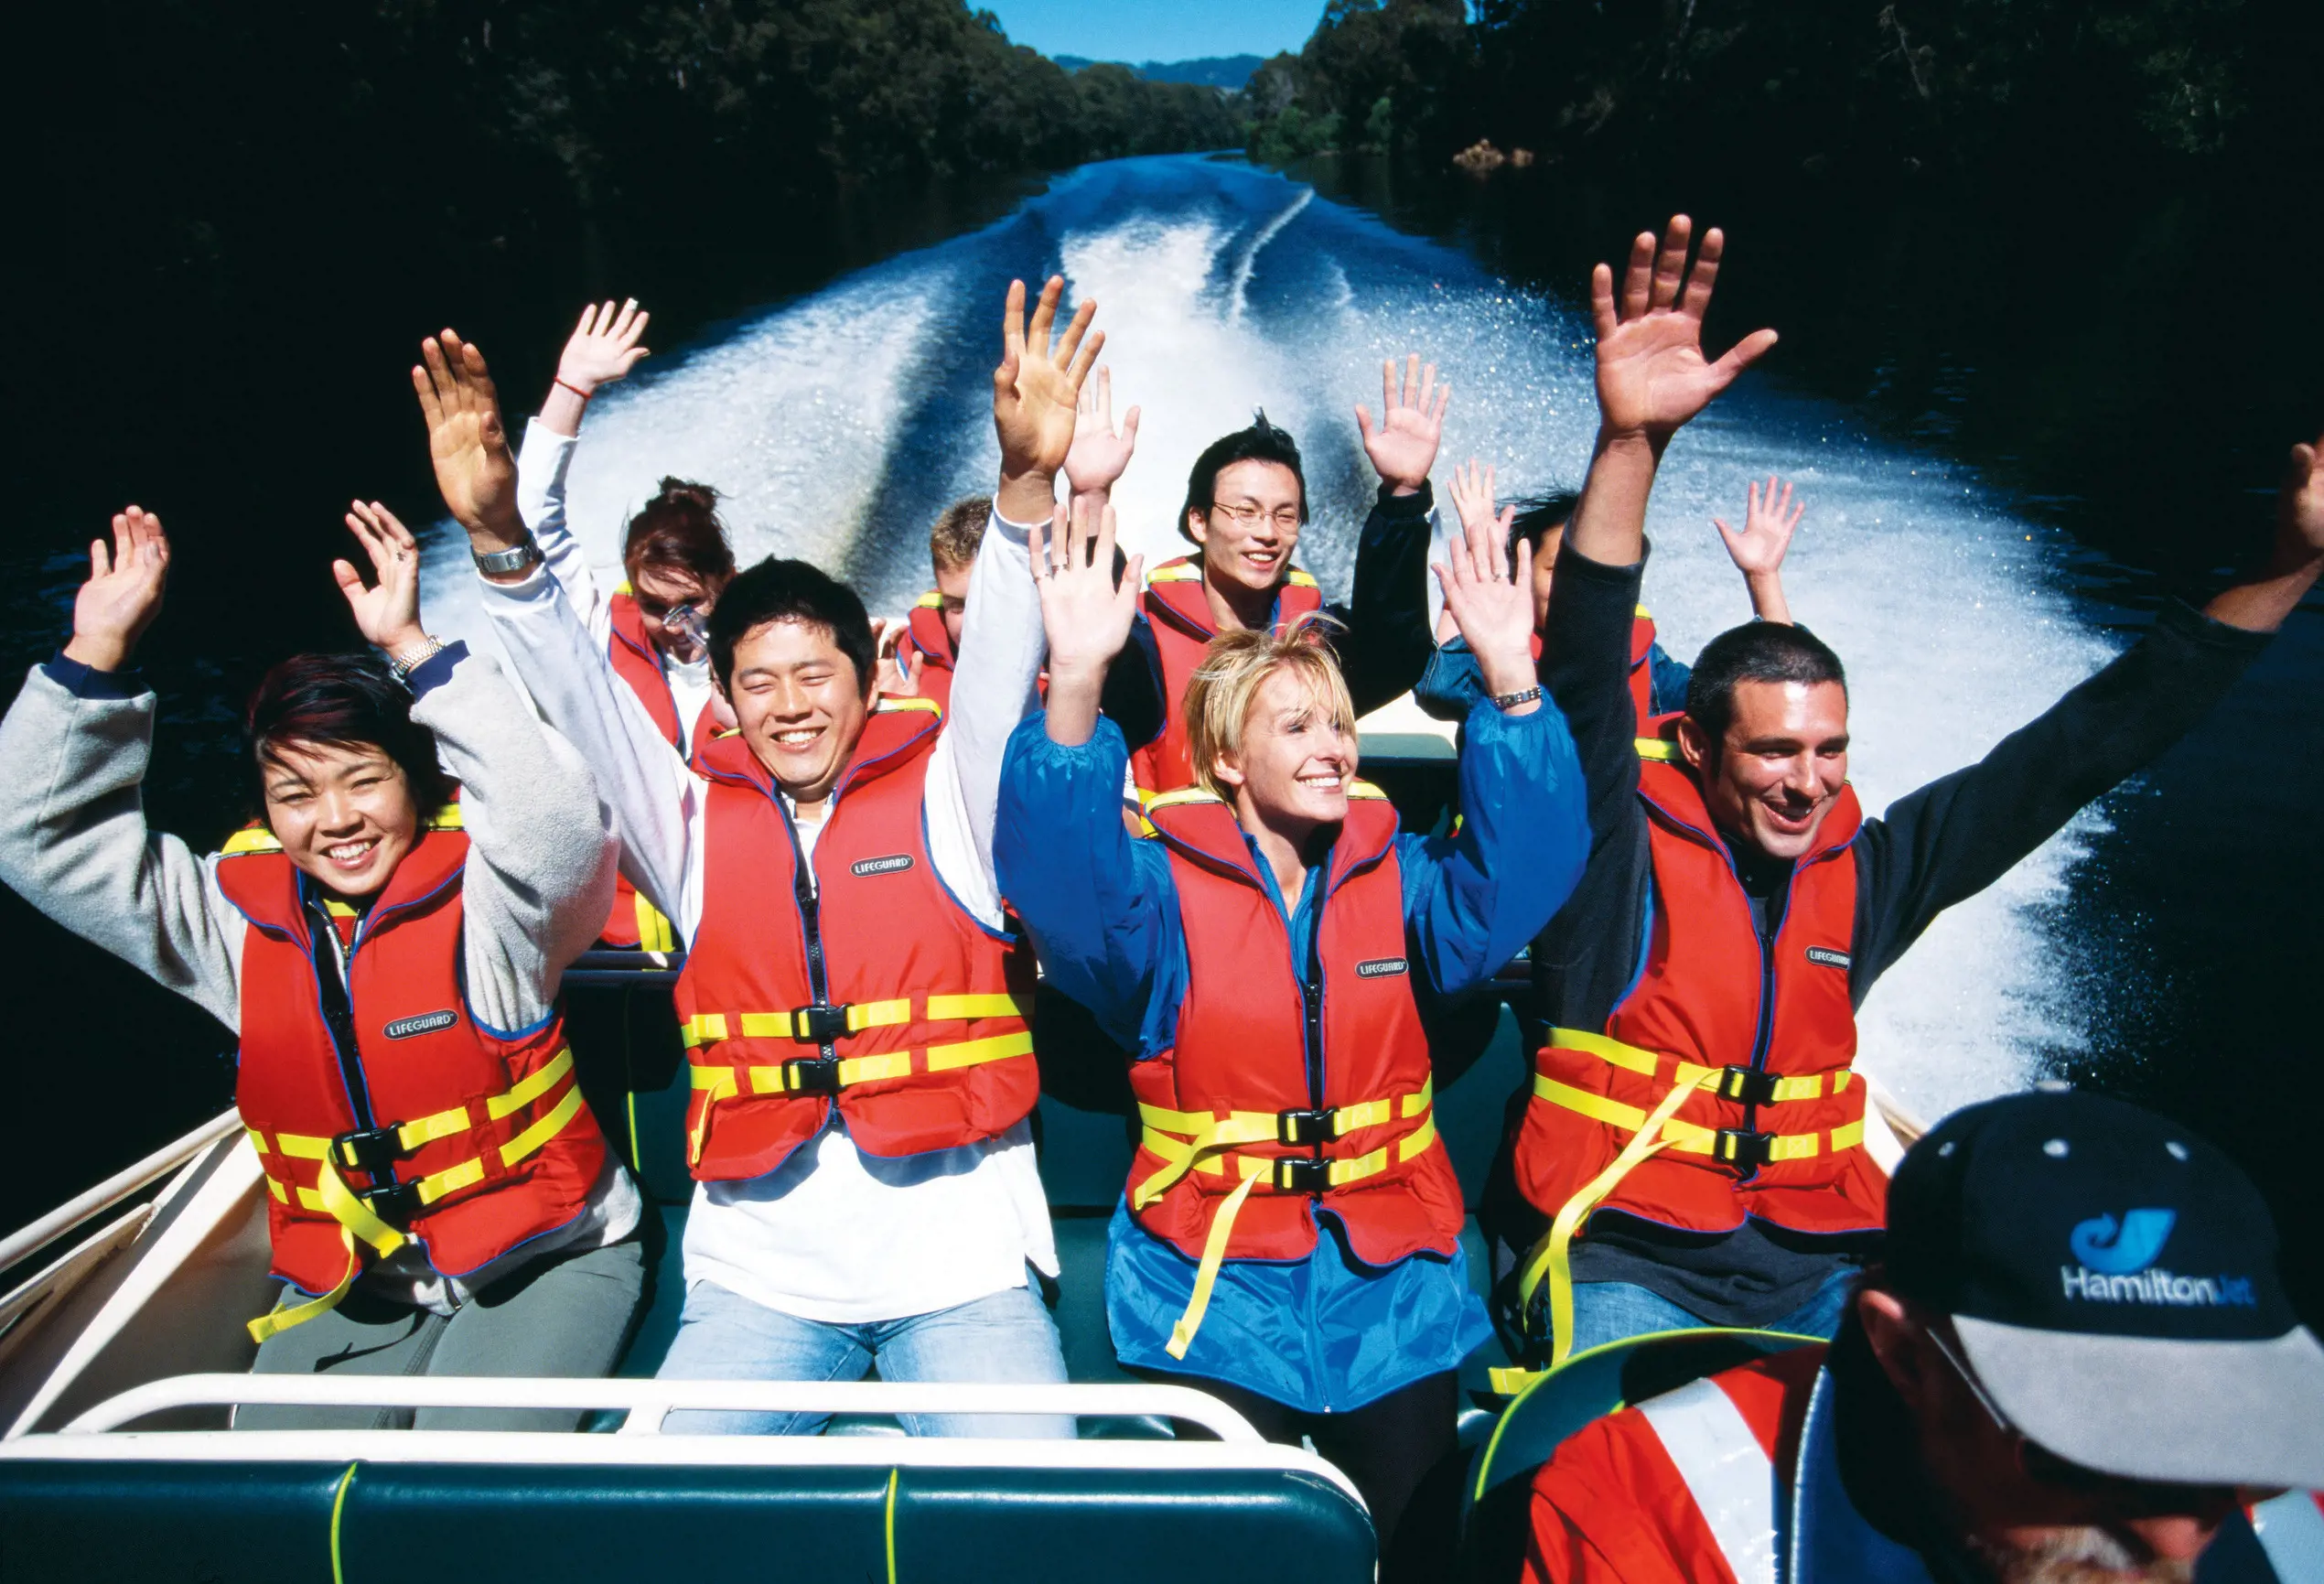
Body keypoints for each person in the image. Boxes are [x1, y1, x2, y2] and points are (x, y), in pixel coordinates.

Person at [1485, 214, 2324, 1373]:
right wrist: (1629, 443)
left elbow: (2079, 751)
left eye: (1829, 751)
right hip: (1628, 1250)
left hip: (1821, 1253)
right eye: (1775, 754)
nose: (1809, 781)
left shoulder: (1868, 870)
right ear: (1690, 745)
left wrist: (2283, 574)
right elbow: (1583, 655)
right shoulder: (1609, 854)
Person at [421, 275, 1102, 1438]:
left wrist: (1028, 481)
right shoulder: (683, 826)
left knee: (1030, 1525)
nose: (788, 708)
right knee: (674, 1529)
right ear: (724, 701)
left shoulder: (953, 796)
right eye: (757, 683)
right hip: (760, 1295)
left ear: (872, 675)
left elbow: (997, 655)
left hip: (963, 1285)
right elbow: (580, 698)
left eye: (814, 675)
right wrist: (496, 538)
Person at [995, 491, 1590, 1573]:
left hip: (1391, 1274)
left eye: (1337, 725)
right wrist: (1075, 686)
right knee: (1243, 1556)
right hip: (1206, 1277)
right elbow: (1059, 888)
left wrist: (1511, 687)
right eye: (1295, 727)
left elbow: (1528, 872)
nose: (1331, 748)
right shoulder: (1153, 895)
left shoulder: (1403, 883)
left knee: (1426, 1548)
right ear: (1227, 760)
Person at [0, 501, 644, 1430]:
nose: (333, 819)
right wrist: (92, 655)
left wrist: (419, 651)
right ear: (265, 811)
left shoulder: (498, 913)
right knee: (273, 1492)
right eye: (295, 794)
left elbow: (558, 827)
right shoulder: (228, 926)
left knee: (452, 1495)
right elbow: (30, 836)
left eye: (362, 779)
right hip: (360, 1285)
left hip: (543, 1258)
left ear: (419, 785)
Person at [1520, 1088, 2324, 1584]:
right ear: (1906, 1355)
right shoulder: (1658, 1521)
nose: (2180, 1535)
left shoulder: (2292, 1517)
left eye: (2233, 1446)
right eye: (2085, 1452)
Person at [1107, 355, 1449, 799]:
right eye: (1245, 511)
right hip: (1174, 860)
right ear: (1198, 522)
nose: (1267, 533)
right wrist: (1090, 496)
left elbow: (1396, 651)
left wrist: (1402, 498)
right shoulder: (1140, 643)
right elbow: (1088, 638)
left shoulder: (1319, 642)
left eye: (1285, 516)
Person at [509, 298, 736, 952]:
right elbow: (533, 516)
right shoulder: (597, 635)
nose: (671, 623)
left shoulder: (765, 647)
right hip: (620, 949)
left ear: (725, 579)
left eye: (690, 602)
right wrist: (571, 388)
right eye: (652, 603)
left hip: (731, 919)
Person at [1416, 463, 1802, 724]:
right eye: (1556, 570)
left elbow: (1767, 694)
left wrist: (1762, 577)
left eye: (1593, 577)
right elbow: (1439, 691)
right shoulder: (1494, 653)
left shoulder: (1646, 663)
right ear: (1524, 576)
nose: (1576, 591)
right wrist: (1477, 564)